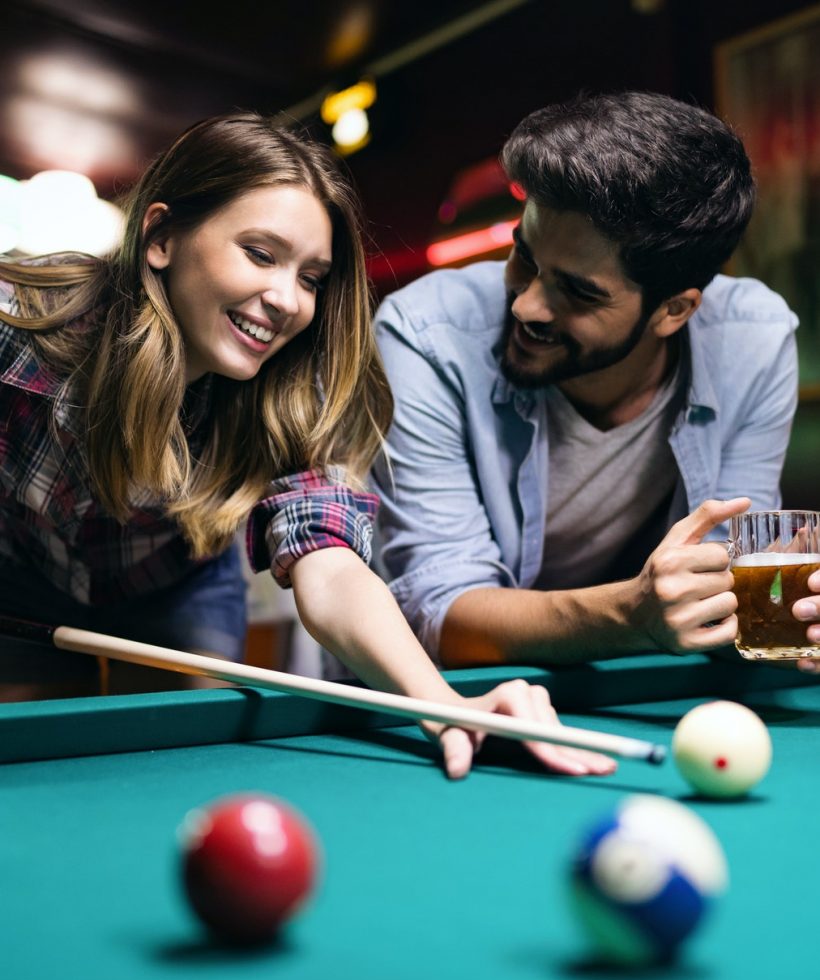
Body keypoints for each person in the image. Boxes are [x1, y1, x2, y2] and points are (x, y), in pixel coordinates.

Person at [0, 111, 615, 778]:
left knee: (172, 774)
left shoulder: (284, 394)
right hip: (20, 582)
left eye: (311, 277)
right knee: (33, 771)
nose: (288, 300)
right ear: (160, 236)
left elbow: (331, 567)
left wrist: (443, 706)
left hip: (173, 584)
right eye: (261, 254)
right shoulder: (19, 331)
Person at [371, 90, 819, 671]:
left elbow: (729, 572)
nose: (528, 306)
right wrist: (631, 613)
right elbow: (438, 614)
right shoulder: (425, 333)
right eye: (525, 258)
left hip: (643, 686)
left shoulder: (754, 340)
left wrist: (794, 626)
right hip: (449, 694)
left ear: (673, 311)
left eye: (578, 291)